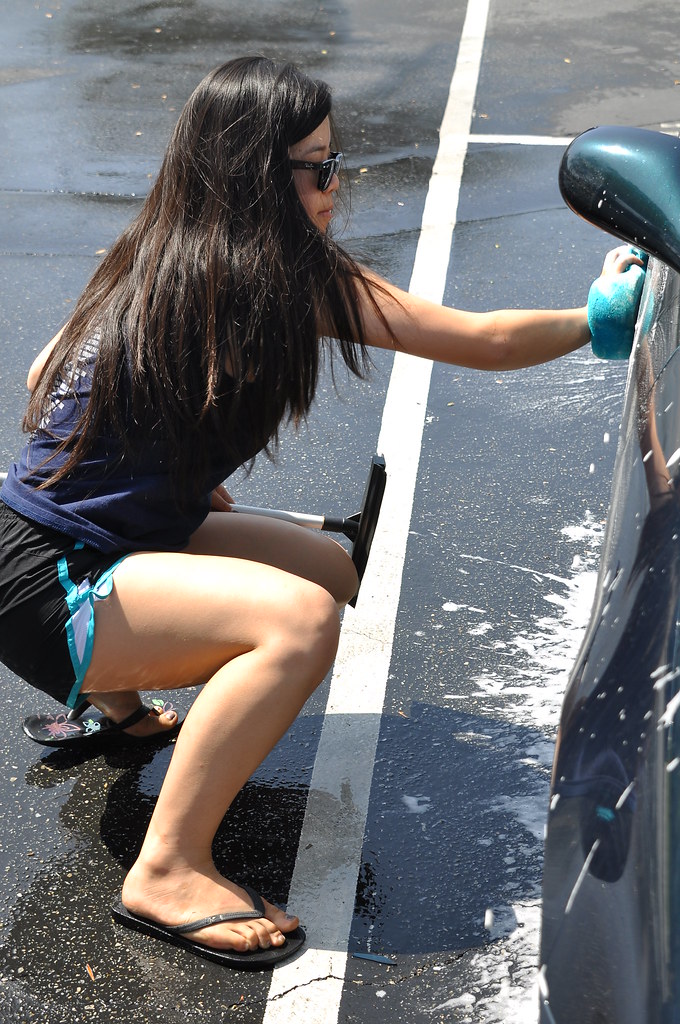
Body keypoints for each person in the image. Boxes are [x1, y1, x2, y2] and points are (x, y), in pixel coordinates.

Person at [0, 55, 643, 969]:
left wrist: (167, 469)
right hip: (48, 588)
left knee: (326, 569)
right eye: (322, 168)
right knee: (299, 626)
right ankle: (168, 868)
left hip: (44, 545)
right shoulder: (290, 280)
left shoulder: (153, 250)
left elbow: (42, 376)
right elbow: (480, 339)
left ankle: (124, 712)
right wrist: (597, 318)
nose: (337, 187)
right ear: (262, 176)